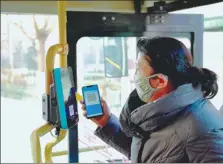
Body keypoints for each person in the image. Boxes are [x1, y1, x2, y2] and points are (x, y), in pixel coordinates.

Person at [80, 37, 223, 163]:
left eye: (138, 70)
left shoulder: (203, 131)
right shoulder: (158, 115)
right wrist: (106, 122)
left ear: (160, 81)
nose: (134, 76)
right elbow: (146, 154)